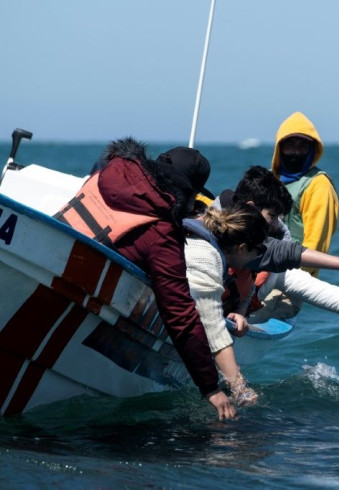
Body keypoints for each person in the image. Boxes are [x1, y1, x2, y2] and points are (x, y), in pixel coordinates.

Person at [54, 137, 235, 421]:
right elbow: (180, 315)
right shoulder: (162, 233)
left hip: (53, 265)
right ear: (189, 193)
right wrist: (210, 388)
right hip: (68, 298)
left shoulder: (105, 174)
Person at [182, 201, 339, 405]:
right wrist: (239, 388)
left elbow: (306, 279)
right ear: (242, 247)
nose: (261, 258)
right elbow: (212, 326)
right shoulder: (203, 257)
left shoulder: (242, 251)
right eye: (257, 252)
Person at [221, 166, 339, 325]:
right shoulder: (207, 237)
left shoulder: (269, 259)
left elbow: (309, 286)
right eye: (272, 215)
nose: (276, 224)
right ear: (250, 207)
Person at [271, 111, 338, 277]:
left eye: (303, 146)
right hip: (258, 273)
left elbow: (317, 242)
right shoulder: (268, 180)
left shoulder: (318, 184)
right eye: (290, 145)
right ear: (279, 148)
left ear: (312, 150)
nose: (296, 152)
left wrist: (296, 277)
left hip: (291, 277)